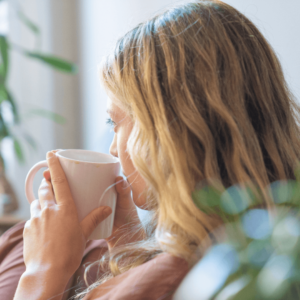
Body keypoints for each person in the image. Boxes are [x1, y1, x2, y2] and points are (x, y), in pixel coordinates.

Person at [1, 0, 300, 299]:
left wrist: (42, 272)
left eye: (115, 122)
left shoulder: (176, 276)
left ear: (169, 130)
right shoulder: (263, 244)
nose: (113, 150)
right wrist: (128, 249)